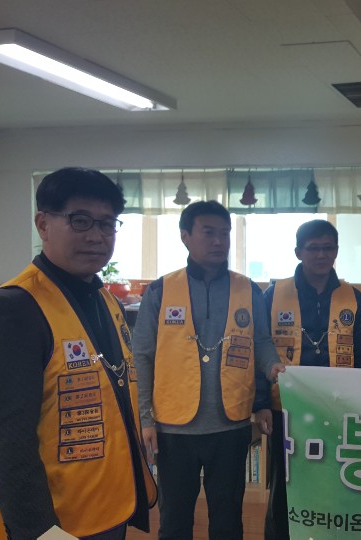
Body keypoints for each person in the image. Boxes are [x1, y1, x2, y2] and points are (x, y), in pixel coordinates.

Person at [0, 167, 157, 539]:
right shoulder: (13, 309)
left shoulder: (106, 301)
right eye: (80, 221)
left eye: (107, 224)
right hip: (52, 523)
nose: (96, 236)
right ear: (43, 224)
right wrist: (42, 534)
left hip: (108, 509)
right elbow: (7, 443)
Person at [133, 201, 285, 540]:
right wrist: (145, 418)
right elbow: (142, 356)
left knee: (228, 521)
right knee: (174, 521)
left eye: (225, 234)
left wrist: (272, 368)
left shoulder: (248, 289)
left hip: (231, 425)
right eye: (209, 232)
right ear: (185, 236)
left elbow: (261, 342)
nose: (219, 241)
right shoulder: (160, 290)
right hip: (173, 427)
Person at [262, 219, 361, 539]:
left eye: (328, 248)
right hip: (285, 409)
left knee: (336, 480)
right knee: (285, 482)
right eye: (313, 248)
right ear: (298, 252)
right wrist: (260, 404)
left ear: (336, 251)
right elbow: (261, 349)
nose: (322, 255)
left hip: (338, 408)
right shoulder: (274, 294)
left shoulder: (353, 297)